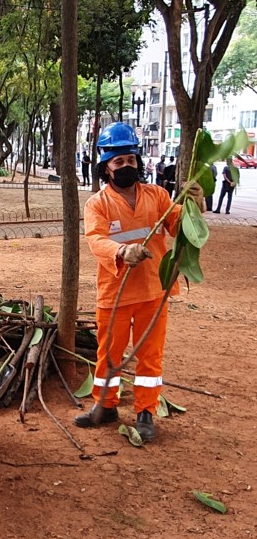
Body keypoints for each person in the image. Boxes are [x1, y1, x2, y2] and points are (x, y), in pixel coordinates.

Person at [75, 123, 179, 442]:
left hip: (152, 292)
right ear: (106, 167)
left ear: (138, 161)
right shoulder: (98, 204)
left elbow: (180, 227)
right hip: (115, 294)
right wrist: (122, 250)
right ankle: (105, 406)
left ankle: (146, 412)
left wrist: (194, 204)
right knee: (110, 354)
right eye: (118, 162)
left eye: (130, 160)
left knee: (150, 355)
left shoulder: (158, 196)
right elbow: (95, 238)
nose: (125, 166)